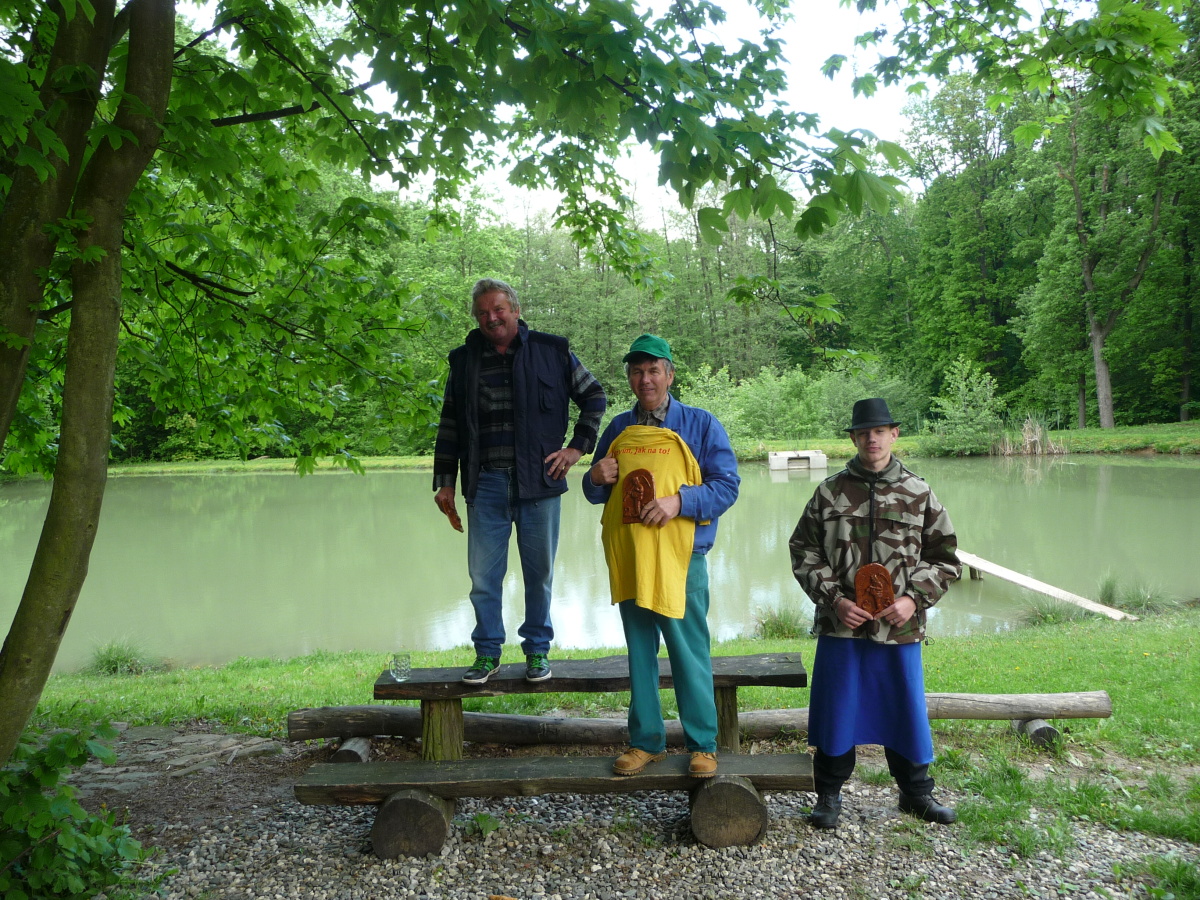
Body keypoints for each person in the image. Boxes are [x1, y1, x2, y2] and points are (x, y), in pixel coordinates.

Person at [790, 397, 962, 827]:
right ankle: (828, 796)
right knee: (837, 709)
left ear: (893, 434)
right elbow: (804, 551)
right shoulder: (829, 492)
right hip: (842, 626)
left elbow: (945, 558)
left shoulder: (919, 492)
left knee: (904, 708)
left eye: (880, 431)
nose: (872, 439)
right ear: (853, 438)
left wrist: (913, 599)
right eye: (864, 432)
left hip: (898, 628)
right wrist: (835, 599)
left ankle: (916, 794)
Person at [433, 278, 607, 684]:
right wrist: (445, 482)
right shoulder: (463, 361)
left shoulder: (553, 351)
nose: (491, 318)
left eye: (498, 309)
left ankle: (537, 651)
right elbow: (450, 424)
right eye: (482, 313)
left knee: (539, 575)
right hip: (484, 485)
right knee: (483, 579)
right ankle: (487, 653)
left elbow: (594, 397)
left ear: (515, 309)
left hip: (540, 484)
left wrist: (576, 449)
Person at [583, 334, 740, 779]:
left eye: (653, 370)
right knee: (639, 653)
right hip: (632, 557)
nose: (645, 379)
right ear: (630, 378)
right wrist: (595, 476)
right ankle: (645, 742)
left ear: (670, 375)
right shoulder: (618, 429)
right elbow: (595, 494)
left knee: (689, 652)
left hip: (683, 558)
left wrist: (680, 501)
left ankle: (703, 745)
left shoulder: (701, 424)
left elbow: (727, 486)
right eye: (637, 371)